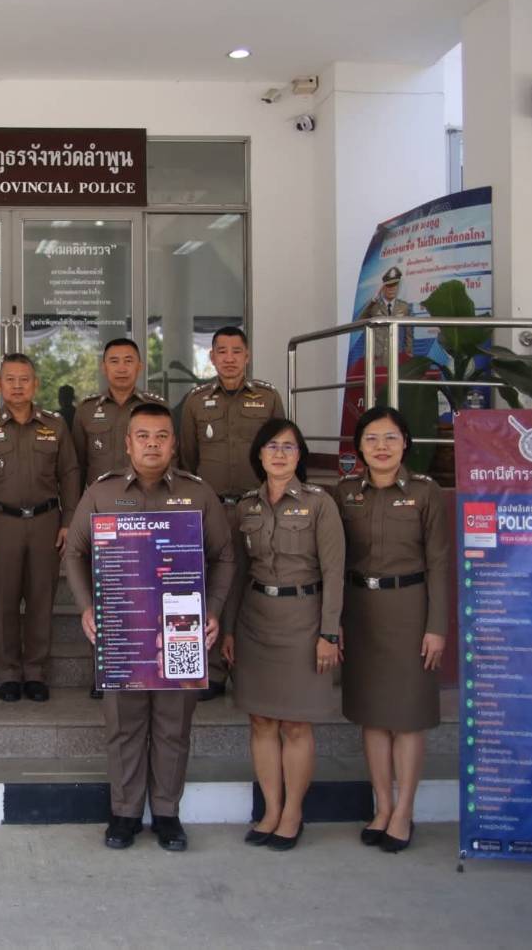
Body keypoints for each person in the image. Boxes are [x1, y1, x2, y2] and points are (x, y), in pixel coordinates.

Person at [64, 402, 236, 851]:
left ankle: (166, 813)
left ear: (174, 444)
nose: (152, 445)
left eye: (162, 436)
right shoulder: (101, 493)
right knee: (124, 724)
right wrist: (86, 607)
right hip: (123, 627)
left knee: (173, 726)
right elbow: (74, 552)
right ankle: (124, 813)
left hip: (181, 626)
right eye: (143, 436)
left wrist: (213, 609)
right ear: (128, 443)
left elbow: (224, 557)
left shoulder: (198, 494)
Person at [222, 417, 344, 852]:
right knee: (261, 720)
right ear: (259, 454)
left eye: (288, 447)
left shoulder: (319, 503)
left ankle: (293, 813)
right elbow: (237, 574)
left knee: (295, 723)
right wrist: (230, 628)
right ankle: (271, 810)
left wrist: (329, 632)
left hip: (304, 622)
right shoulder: (246, 507)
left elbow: (334, 573)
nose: (279, 454)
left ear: (300, 455)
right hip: (255, 622)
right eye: (271, 446)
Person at [336, 406, 449, 854]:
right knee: (373, 714)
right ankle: (382, 807)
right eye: (371, 439)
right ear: (359, 447)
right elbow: (334, 561)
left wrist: (436, 626)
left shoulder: (425, 492)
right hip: (361, 611)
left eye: (390, 438)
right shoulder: (345, 492)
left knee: (407, 717)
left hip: (410, 611)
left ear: (405, 443)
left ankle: (404, 812)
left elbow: (438, 562)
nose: (381, 447)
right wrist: (334, 622)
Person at [0, 354, 81, 703]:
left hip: (46, 521)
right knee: (5, 600)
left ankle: (36, 672)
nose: (17, 386)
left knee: (42, 599)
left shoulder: (55, 425)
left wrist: (68, 522)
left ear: (36, 384)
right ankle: (9, 673)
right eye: (10, 379)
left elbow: (69, 475)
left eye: (24, 379)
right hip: (2, 523)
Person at [177, 326, 285, 699]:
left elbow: (281, 450)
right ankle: (215, 670)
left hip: (258, 506)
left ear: (247, 355)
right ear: (211, 357)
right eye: (221, 351)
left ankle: (250, 667)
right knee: (214, 586)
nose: (229, 358)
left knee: (256, 584)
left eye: (236, 351)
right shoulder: (195, 402)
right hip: (213, 509)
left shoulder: (268, 398)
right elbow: (188, 459)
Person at [71, 337, 166, 699]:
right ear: (104, 367)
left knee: (148, 591)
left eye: (129, 360)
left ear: (139, 366)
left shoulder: (156, 407)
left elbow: (173, 458)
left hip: (148, 512)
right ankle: (107, 668)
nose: (122, 367)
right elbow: (76, 467)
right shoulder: (86, 411)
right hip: (104, 515)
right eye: (114, 361)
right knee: (106, 592)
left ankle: (150, 664)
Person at [356, 265, 414, 369]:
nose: (392, 289)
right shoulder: (374, 306)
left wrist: (408, 355)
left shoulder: (404, 307)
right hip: (376, 360)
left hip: (396, 359)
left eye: (395, 285)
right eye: (388, 285)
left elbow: (408, 335)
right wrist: (373, 301)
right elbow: (360, 322)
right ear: (383, 287)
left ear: (398, 286)